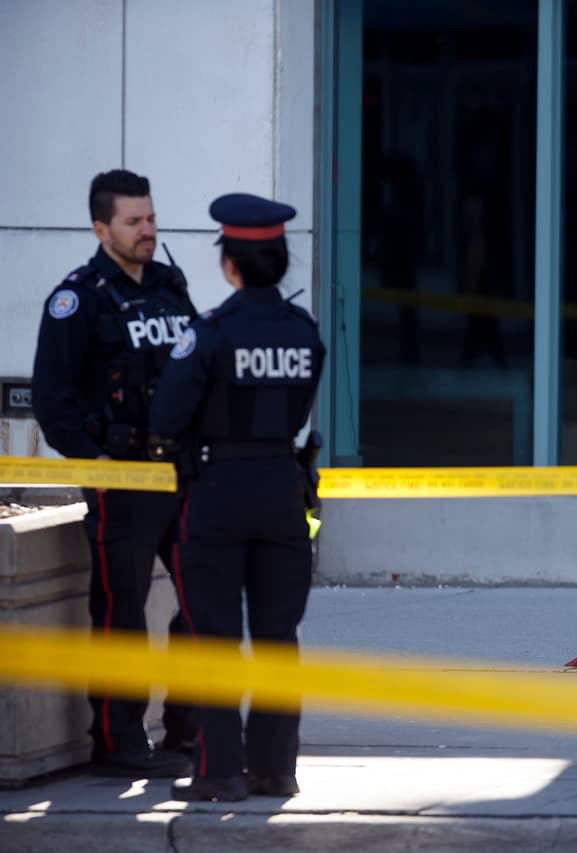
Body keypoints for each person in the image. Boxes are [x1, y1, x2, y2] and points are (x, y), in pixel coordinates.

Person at [150, 192, 326, 802]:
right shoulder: (305, 333)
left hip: (218, 494)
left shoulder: (211, 334)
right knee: (279, 636)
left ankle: (218, 772)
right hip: (283, 490)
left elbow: (167, 417)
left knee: (215, 635)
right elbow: (298, 410)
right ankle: (276, 769)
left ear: (230, 265)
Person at [31, 169, 197, 778]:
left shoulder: (169, 286)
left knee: (203, 597)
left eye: (151, 218)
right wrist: (91, 461)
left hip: (179, 472)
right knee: (120, 612)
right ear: (101, 228)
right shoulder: (78, 300)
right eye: (134, 222)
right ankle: (118, 741)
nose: (147, 230)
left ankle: (188, 726)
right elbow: (53, 399)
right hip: (121, 478)